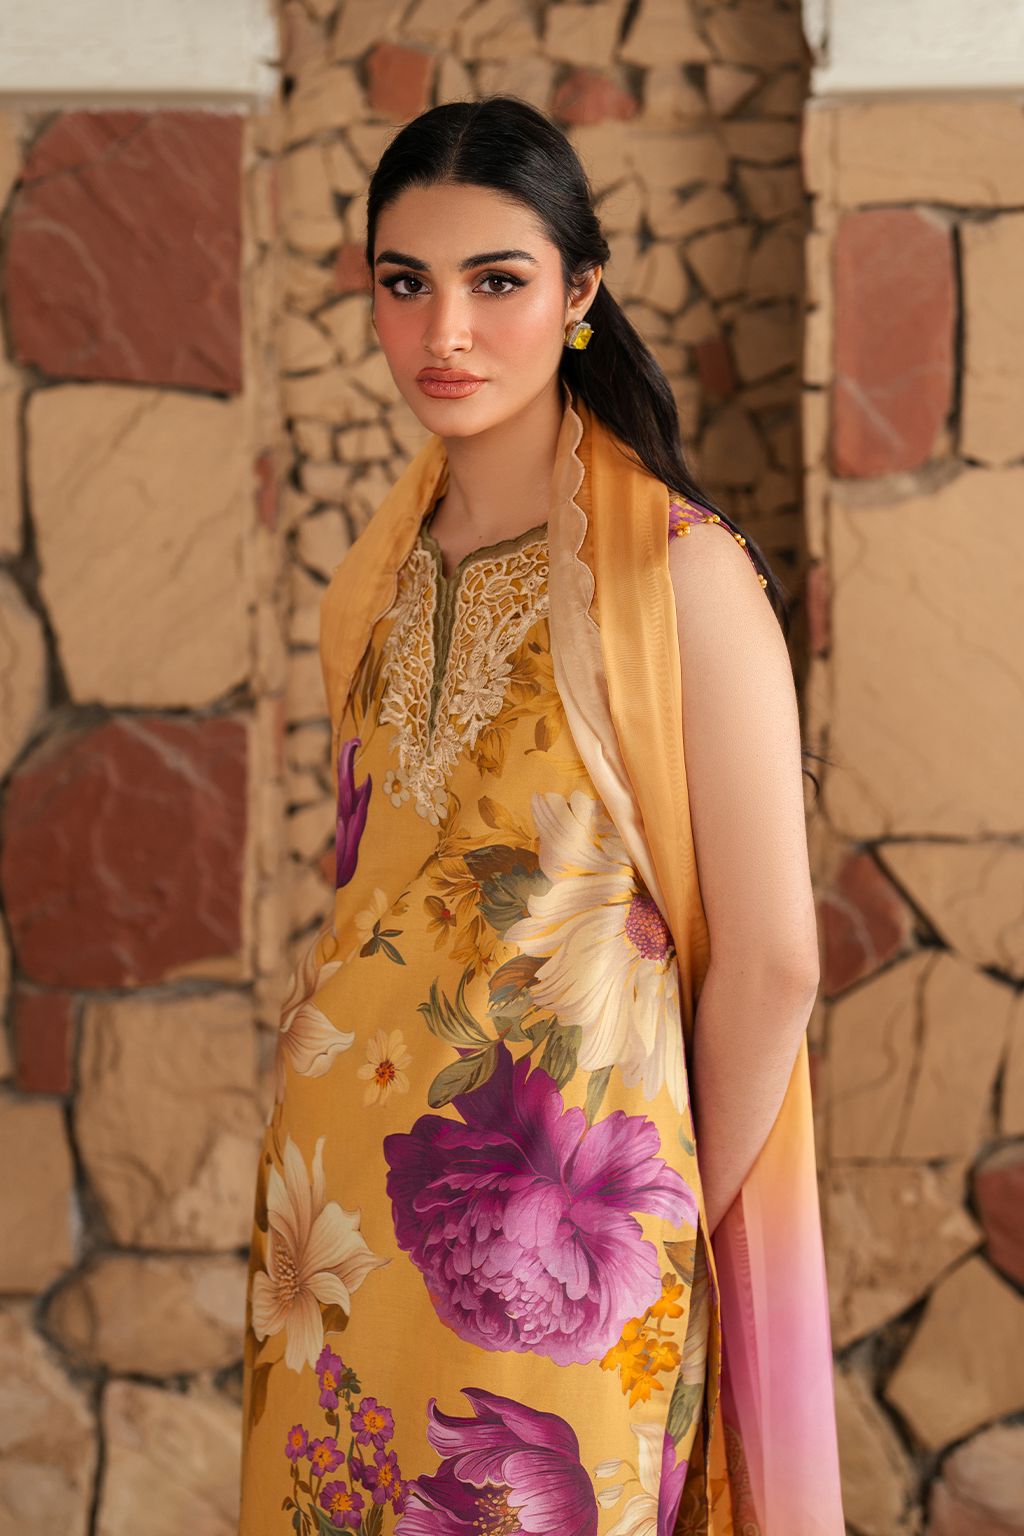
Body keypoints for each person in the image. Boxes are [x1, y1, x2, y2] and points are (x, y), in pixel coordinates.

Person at [238, 97, 844, 1536]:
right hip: (335, 1226)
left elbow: (774, 962)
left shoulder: (681, 578)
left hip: (562, 1269)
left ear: (579, 295)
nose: (444, 331)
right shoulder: (376, 582)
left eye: (496, 281)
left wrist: (664, 1223)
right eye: (405, 283)